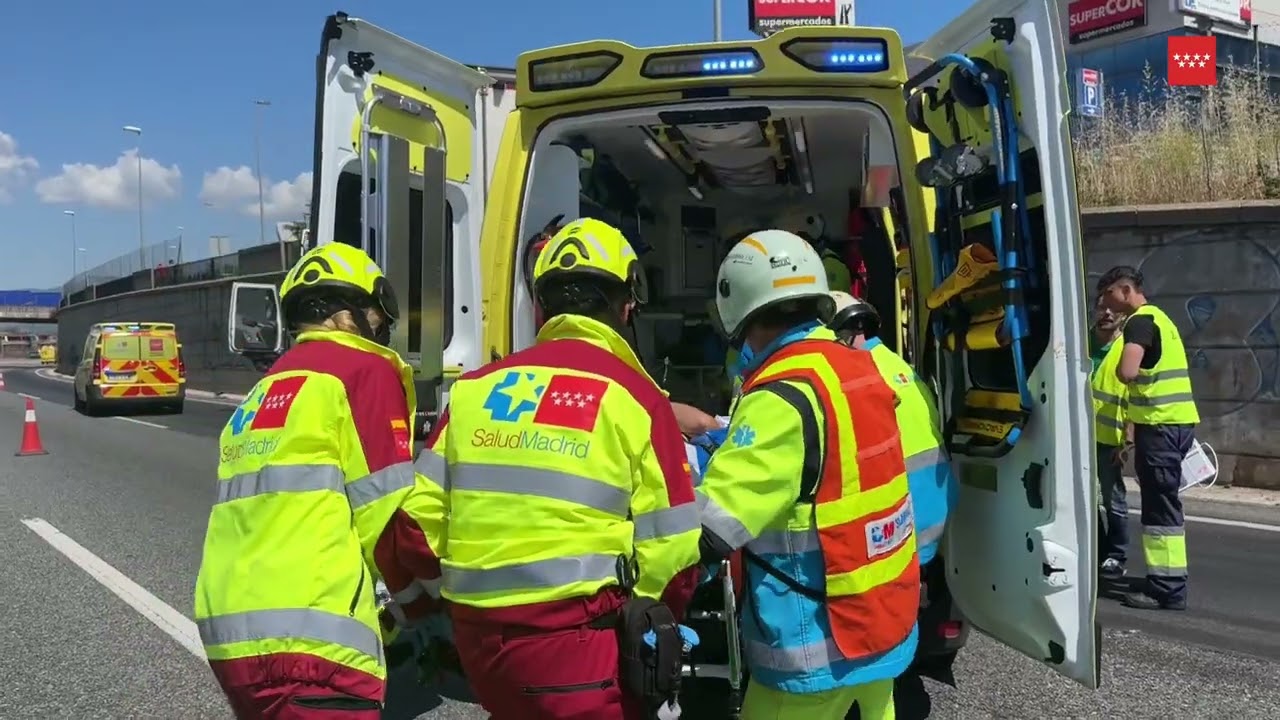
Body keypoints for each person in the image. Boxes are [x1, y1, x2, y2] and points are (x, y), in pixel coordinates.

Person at [417, 217, 703, 719]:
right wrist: (655, 621)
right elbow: (675, 549)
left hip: (481, 652)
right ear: (626, 306)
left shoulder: (473, 392)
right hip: (582, 654)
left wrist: (436, 606)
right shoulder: (638, 399)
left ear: (541, 306)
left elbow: (414, 526)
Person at [195, 242, 447, 718]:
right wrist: (431, 604)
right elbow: (391, 523)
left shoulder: (263, 392)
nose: (383, 327)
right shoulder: (361, 371)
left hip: (229, 637)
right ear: (345, 315)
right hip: (315, 640)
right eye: (377, 312)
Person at [696, 229, 920, 720]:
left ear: (740, 315)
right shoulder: (859, 367)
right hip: (880, 621)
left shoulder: (780, 395)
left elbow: (711, 529)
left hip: (814, 641)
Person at [826, 291, 958, 720]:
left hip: (902, 525)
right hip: (934, 517)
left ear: (846, 332)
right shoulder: (901, 369)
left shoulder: (855, 376)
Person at [1097, 266, 1197, 611]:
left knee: (1160, 511)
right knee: (1164, 504)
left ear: (1125, 290)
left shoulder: (1139, 323)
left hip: (1161, 428)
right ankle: (1167, 580)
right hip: (1176, 425)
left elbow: (1127, 372)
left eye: (1108, 294)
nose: (1104, 303)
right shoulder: (1162, 320)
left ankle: (1167, 588)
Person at [1090, 295, 1131, 579]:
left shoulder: (1127, 348)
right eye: (1101, 307)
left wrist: (1127, 440)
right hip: (1076, 438)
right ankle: (1097, 549)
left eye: (1113, 309)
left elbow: (1135, 396)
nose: (1106, 313)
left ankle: (1116, 555)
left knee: (1112, 499)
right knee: (1083, 500)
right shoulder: (1077, 343)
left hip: (1109, 439)